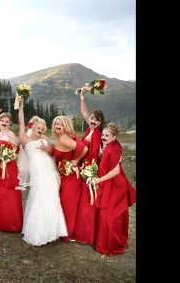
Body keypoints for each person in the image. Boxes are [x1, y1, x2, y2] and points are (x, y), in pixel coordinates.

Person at [18, 97, 68, 245]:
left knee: (52, 195)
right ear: (32, 126)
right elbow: (21, 122)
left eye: (42, 128)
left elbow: (51, 153)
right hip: (37, 171)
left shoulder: (45, 137)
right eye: (38, 127)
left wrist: (46, 149)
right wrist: (21, 105)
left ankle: (52, 230)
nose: (40, 130)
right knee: (40, 194)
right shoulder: (25, 139)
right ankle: (38, 231)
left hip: (49, 169)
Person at [91, 123, 136, 255]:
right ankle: (105, 243)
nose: (103, 137)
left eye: (107, 135)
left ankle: (111, 245)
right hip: (109, 184)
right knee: (106, 215)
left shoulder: (115, 148)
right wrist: (101, 154)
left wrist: (98, 180)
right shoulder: (109, 146)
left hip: (116, 186)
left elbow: (116, 171)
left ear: (114, 137)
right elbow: (108, 163)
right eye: (103, 135)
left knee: (110, 216)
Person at [72, 86, 106, 245]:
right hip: (83, 166)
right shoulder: (90, 129)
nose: (92, 120)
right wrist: (82, 98)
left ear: (100, 123)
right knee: (81, 201)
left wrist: (90, 170)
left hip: (90, 170)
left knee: (88, 202)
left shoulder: (98, 134)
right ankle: (80, 231)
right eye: (91, 118)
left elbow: (96, 154)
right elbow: (85, 113)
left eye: (96, 120)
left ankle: (86, 235)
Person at [51, 115, 88, 241]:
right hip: (64, 176)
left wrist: (76, 161)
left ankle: (67, 233)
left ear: (66, 126)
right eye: (56, 123)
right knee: (64, 203)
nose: (58, 125)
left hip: (71, 177)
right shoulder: (60, 138)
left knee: (68, 205)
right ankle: (63, 230)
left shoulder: (64, 139)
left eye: (61, 124)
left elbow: (84, 148)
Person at [0, 103, 23, 232]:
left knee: (9, 195)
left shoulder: (11, 135)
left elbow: (16, 151)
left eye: (6, 121)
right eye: (2, 121)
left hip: (9, 168)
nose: (4, 123)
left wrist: (8, 157)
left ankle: (11, 224)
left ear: (10, 124)